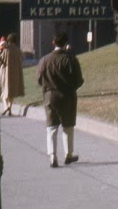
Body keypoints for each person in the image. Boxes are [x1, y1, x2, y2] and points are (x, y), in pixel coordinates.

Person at [36, 30, 84, 167]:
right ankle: (68, 154)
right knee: (68, 126)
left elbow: (39, 80)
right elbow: (79, 80)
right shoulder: (71, 59)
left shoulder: (44, 60)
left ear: (53, 43)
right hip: (68, 95)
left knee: (51, 127)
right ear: (66, 43)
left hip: (50, 95)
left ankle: (53, 156)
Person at [0, 32, 25, 115]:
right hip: (16, 73)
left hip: (5, 72)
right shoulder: (18, 50)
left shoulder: (5, 50)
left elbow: (0, 60)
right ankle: (10, 108)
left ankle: (6, 107)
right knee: (11, 93)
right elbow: (22, 59)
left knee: (3, 93)